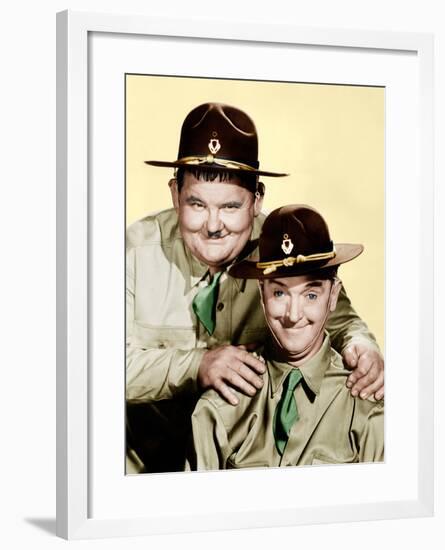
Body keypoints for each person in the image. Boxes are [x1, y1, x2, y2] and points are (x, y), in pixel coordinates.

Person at [126, 102, 384, 473]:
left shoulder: (283, 249)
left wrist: (364, 349)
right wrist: (196, 364)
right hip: (136, 470)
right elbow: (92, 368)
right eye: (196, 204)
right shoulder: (132, 252)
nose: (213, 225)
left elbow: (339, 316)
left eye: (230, 207)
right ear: (174, 194)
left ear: (257, 200)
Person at [190, 204, 384, 470]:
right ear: (261, 292)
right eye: (279, 293)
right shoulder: (219, 407)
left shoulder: (368, 406)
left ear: (334, 295)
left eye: (311, 295)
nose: (293, 315)